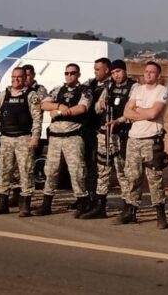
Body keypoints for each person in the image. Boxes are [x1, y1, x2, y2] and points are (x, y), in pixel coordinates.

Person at [0, 66, 43, 216]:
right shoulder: (4, 95)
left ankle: (25, 205)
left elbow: (37, 118)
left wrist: (35, 137)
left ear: (25, 78)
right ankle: (2, 203)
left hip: (24, 138)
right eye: (14, 77)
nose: (16, 80)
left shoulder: (31, 95)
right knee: (4, 171)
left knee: (26, 172)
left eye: (19, 77)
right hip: (6, 138)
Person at [119, 61, 168, 228]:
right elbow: (126, 112)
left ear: (158, 75)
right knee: (132, 177)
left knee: (154, 179)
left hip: (151, 139)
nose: (148, 74)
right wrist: (144, 112)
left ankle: (160, 214)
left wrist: (137, 111)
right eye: (146, 71)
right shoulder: (137, 89)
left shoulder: (161, 91)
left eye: (152, 72)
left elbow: (154, 113)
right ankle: (130, 211)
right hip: (133, 138)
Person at [37, 63, 92, 216]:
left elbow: (82, 108)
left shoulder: (84, 91)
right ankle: (46, 204)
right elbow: (44, 104)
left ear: (78, 74)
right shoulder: (57, 90)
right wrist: (60, 105)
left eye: (73, 73)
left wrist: (60, 112)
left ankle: (82, 202)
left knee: (77, 172)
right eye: (67, 73)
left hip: (72, 137)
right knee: (51, 171)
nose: (69, 76)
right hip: (55, 138)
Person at [84, 59, 135, 221]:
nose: (116, 75)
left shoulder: (133, 87)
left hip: (122, 135)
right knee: (103, 171)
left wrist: (120, 119)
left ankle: (128, 207)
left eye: (118, 71)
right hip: (105, 134)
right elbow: (97, 108)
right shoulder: (109, 87)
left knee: (122, 173)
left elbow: (133, 110)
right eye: (113, 72)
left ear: (125, 71)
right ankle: (100, 206)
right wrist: (102, 104)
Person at [81, 58, 111, 213]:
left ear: (107, 70)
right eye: (94, 69)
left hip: (101, 131)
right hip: (87, 130)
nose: (95, 72)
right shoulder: (90, 83)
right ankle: (85, 198)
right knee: (85, 165)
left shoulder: (110, 86)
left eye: (98, 69)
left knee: (97, 167)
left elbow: (100, 108)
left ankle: (95, 200)